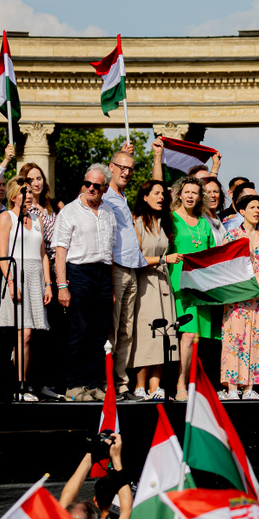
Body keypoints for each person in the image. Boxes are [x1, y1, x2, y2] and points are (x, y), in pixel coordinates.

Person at [54, 164, 116, 402]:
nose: (90, 188)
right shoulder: (70, 211)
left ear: (104, 188)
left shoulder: (109, 211)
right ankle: (74, 384)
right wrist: (62, 285)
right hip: (79, 271)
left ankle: (93, 383)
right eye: (87, 183)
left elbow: (110, 251)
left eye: (96, 185)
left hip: (102, 273)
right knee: (79, 330)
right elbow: (60, 250)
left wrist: (109, 285)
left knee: (99, 332)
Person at [0, 178, 52, 401]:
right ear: (13, 196)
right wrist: (11, 282)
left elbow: (43, 254)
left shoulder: (37, 218)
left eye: (30, 192)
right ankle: (20, 386)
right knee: (24, 333)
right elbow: (2, 255)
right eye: (23, 192)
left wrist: (48, 283)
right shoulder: (6, 217)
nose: (28, 195)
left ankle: (26, 383)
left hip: (35, 276)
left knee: (32, 335)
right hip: (16, 275)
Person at [168, 176, 222, 400]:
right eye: (186, 192)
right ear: (179, 194)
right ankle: (180, 384)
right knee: (187, 335)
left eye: (195, 192)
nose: (190, 196)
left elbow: (211, 255)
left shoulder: (203, 223)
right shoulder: (170, 219)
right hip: (180, 284)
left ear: (200, 197)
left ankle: (197, 384)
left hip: (201, 285)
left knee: (201, 338)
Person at [104, 148, 149, 401]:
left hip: (132, 269)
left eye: (130, 168)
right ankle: (109, 382)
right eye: (122, 167)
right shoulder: (106, 196)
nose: (126, 172)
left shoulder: (122, 197)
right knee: (112, 330)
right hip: (116, 269)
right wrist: (110, 278)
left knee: (127, 332)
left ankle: (121, 384)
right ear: (111, 167)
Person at [18, 161, 65, 401]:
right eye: (30, 180)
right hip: (34, 271)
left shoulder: (51, 207)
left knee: (50, 330)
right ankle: (29, 383)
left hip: (54, 271)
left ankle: (47, 381)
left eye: (39, 178)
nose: (36, 183)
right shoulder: (25, 211)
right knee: (31, 332)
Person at [131, 180, 182, 401]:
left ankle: (155, 385)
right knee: (147, 333)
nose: (161, 197)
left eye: (163, 193)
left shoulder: (164, 223)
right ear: (145, 197)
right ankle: (139, 386)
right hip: (146, 283)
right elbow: (136, 258)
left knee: (165, 333)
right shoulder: (139, 223)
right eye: (156, 193)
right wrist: (163, 259)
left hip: (163, 283)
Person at [221, 194, 259, 399]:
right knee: (236, 337)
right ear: (242, 211)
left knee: (258, 338)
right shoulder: (231, 235)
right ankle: (232, 386)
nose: (257, 211)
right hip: (239, 289)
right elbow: (226, 266)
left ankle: (250, 387)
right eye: (252, 207)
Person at [58, 432, 132, 519]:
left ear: (96, 501)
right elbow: (126, 511)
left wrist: (89, 457)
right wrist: (116, 459)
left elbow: (65, 499)